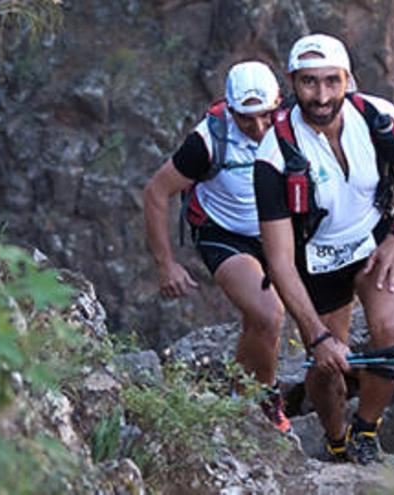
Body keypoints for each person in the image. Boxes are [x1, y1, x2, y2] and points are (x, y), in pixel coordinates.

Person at [253, 34, 394, 464]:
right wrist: (316, 337)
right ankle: (335, 439)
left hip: (375, 245)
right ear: (292, 83)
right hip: (315, 264)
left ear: (348, 80)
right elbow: (278, 259)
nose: (321, 96)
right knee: (325, 364)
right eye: (309, 83)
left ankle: (366, 431)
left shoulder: (377, 117)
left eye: (332, 82)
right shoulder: (274, 155)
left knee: (390, 336)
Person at [143, 61, 291, 432]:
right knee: (269, 314)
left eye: (265, 117)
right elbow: (156, 192)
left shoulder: (294, 127)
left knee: (258, 322)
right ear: (229, 109)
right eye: (245, 119)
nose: (257, 128)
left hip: (278, 231)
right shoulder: (207, 141)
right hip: (223, 234)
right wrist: (166, 265)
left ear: (278, 106)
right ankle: (267, 400)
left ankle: (239, 398)